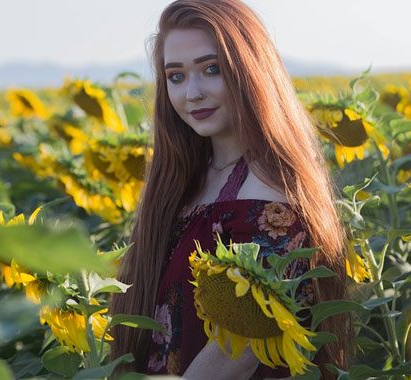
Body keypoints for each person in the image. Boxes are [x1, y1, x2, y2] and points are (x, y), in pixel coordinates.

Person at [110, 0, 351, 378]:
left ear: (249, 71)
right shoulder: (186, 180)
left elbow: (238, 350)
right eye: (176, 76)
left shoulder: (272, 192)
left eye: (211, 69)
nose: (193, 93)